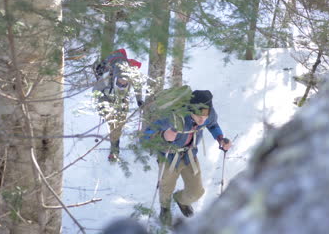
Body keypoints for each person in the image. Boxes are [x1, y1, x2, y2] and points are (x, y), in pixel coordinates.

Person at [142, 90, 232, 226]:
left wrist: (220, 139)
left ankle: (181, 200)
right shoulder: (173, 117)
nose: (202, 119)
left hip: (190, 155)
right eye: (198, 114)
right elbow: (145, 137)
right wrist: (163, 135)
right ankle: (165, 208)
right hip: (169, 156)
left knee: (197, 191)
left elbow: (212, 124)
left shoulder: (209, 114)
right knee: (166, 186)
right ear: (190, 110)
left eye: (205, 114)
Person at [93, 49, 143, 162]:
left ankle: (115, 141)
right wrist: (100, 105)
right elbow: (95, 90)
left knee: (120, 123)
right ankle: (114, 149)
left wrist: (139, 100)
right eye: (120, 81)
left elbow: (138, 87)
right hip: (107, 99)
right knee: (113, 124)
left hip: (122, 100)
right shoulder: (106, 77)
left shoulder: (132, 76)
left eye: (125, 82)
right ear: (115, 77)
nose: (122, 83)